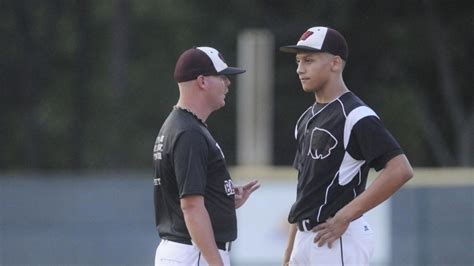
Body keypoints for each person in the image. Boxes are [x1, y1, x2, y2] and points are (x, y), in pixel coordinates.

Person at [279, 26, 414, 265]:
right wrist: (289, 253)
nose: (300, 69)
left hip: (335, 237)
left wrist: (345, 216)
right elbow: (304, 191)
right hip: (306, 237)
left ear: (335, 63)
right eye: (298, 61)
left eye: (309, 60)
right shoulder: (305, 119)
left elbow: (400, 170)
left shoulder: (356, 114)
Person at [152, 46, 260, 266]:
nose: (228, 83)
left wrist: (221, 198)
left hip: (185, 251)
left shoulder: (180, 125)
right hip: (194, 253)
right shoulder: (189, 132)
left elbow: (182, 196)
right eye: (222, 77)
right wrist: (216, 263)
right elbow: (191, 207)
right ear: (202, 81)